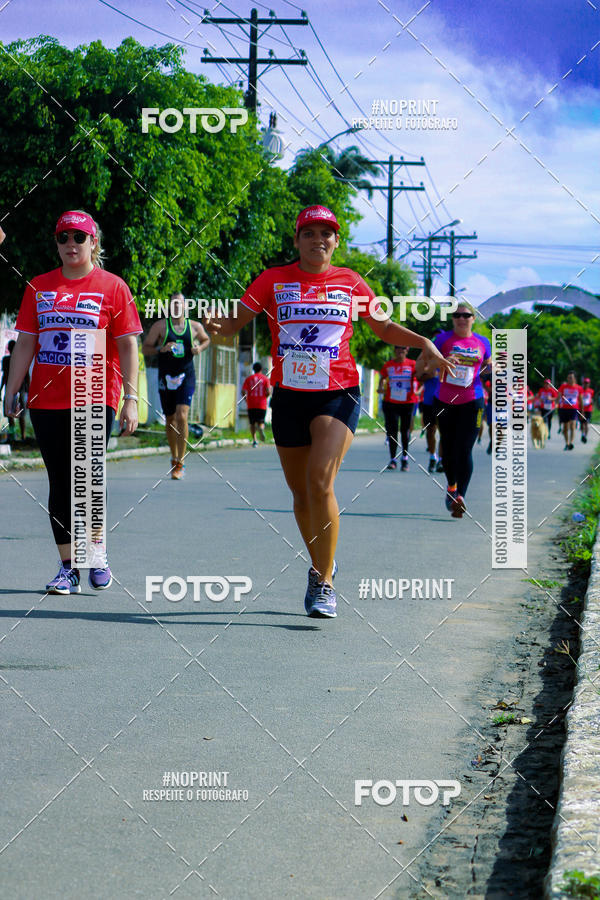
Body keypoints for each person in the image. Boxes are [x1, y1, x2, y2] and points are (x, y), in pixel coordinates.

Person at [204, 204, 455, 618]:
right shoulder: (273, 280)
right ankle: (323, 561)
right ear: (297, 240)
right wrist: (215, 324)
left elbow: (383, 327)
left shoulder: (351, 282)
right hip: (288, 394)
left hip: (338, 392)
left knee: (320, 480)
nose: (319, 239)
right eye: (310, 233)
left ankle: (324, 581)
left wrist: (424, 340)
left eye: (327, 233)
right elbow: (235, 323)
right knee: (301, 494)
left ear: (337, 241)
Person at [4, 210, 141, 593]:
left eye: (79, 238)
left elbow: (128, 344)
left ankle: (96, 552)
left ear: (94, 242)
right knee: (61, 482)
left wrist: (131, 398)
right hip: (47, 399)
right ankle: (68, 567)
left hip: (96, 395)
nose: (70, 245)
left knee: (87, 476)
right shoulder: (39, 287)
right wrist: (12, 388)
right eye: (63, 238)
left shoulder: (113, 287)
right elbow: (27, 341)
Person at [420, 301, 492, 518]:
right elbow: (425, 367)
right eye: (457, 315)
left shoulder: (482, 341)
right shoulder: (442, 340)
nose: (461, 318)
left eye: (466, 315)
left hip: (473, 400)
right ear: (452, 319)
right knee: (449, 449)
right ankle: (451, 486)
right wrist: (441, 361)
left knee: (465, 449)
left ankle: (460, 496)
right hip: (445, 401)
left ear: (473, 318)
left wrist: (493, 367)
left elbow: (487, 366)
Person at [142, 292, 210, 479]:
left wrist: (199, 348)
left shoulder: (195, 327)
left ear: (185, 307)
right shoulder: (160, 326)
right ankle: (174, 457)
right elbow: (145, 348)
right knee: (170, 419)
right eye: (173, 305)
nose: (177, 308)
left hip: (186, 376)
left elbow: (206, 340)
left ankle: (181, 460)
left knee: (182, 415)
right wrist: (160, 349)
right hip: (166, 377)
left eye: (180, 304)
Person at [378, 346, 418, 471]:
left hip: (408, 402)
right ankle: (393, 459)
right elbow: (382, 378)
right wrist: (381, 388)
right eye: (398, 349)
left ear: (407, 351)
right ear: (395, 350)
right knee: (392, 430)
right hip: (391, 402)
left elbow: (418, 380)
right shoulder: (388, 365)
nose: (401, 351)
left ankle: (405, 458)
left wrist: (417, 390)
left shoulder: (412, 364)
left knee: (405, 431)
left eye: (403, 349)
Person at [1, 340, 29, 441]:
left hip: (14, 390)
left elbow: (5, 376)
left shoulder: (7, 360)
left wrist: (1, 390)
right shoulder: (17, 359)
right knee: (19, 414)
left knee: (11, 414)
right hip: (19, 390)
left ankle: (16, 436)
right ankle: (21, 436)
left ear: (8, 348)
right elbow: (27, 376)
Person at [242, 362, 271, 446]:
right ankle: (261, 428)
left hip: (251, 404)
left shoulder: (249, 379)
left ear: (253, 369)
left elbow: (243, 391)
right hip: (261, 404)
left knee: (252, 423)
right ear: (261, 369)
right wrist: (265, 396)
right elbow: (268, 391)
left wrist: (246, 399)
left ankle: (255, 440)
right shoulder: (265, 379)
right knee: (261, 421)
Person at [557, 372, 582, 450]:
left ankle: (571, 442)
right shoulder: (563, 386)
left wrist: (582, 410)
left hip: (574, 409)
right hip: (564, 409)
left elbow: (580, 400)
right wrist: (556, 403)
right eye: (568, 377)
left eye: (571, 377)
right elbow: (559, 396)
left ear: (574, 379)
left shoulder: (578, 388)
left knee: (572, 426)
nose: (569, 379)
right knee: (565, 428)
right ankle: (567, 443)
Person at [580, 378, 594, 443]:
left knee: (586, 424)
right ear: (583, 383)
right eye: (585, 383)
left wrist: (592, 407)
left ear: (589, 384)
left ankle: (585, 436)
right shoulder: (581, 390)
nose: (586, 384)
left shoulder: (591, 391)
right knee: (582, 423)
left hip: (588, 409)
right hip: (582, 409)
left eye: (587, 383)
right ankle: (582, 434)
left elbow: (592, 400)